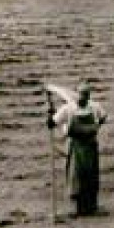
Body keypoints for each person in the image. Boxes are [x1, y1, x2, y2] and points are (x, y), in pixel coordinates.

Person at [47, 82, 106, 217]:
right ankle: (77, 209)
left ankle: (92, 207)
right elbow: (52, 123)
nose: (82, 98)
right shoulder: (68, 108)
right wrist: (51, 116)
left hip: (91, 146)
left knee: (91, 177)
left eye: (85, 95)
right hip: (76, 147)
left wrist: (95, 128)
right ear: (77, 94)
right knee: (76, 177)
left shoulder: (94, 106)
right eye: (81, 95)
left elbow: (103, 117)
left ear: (88, 96)